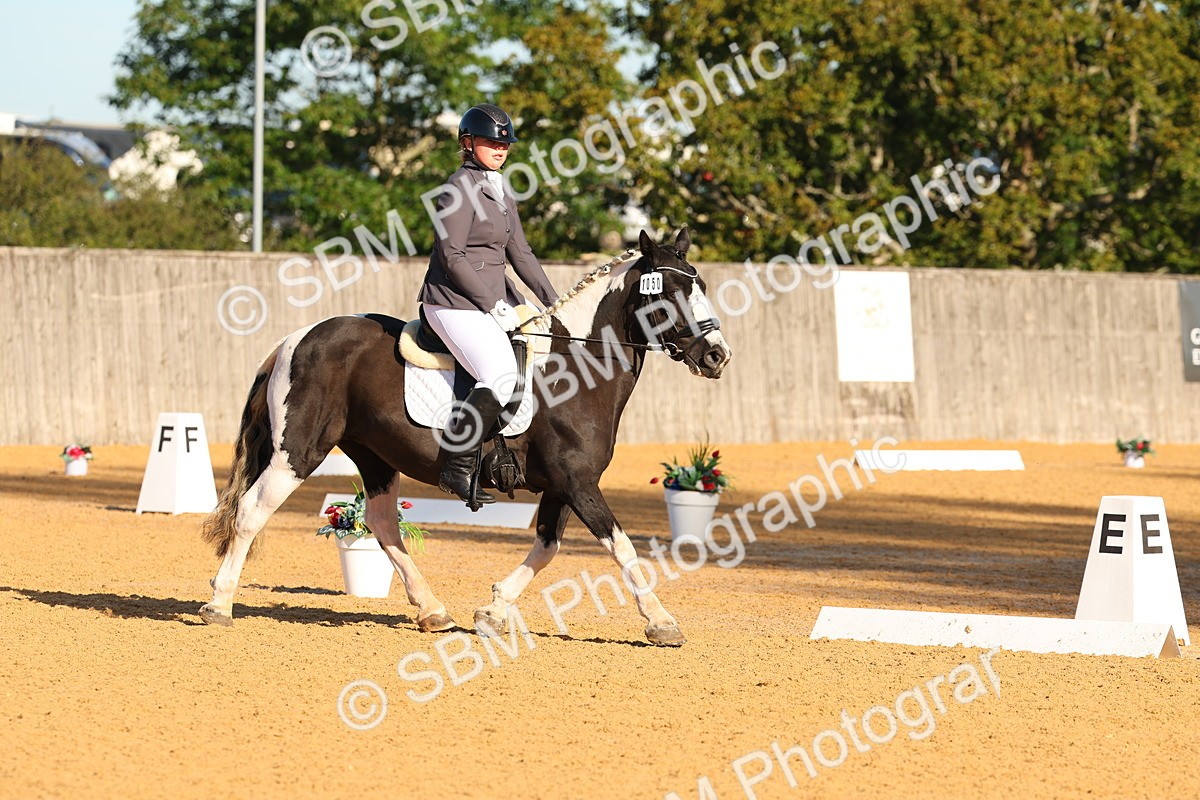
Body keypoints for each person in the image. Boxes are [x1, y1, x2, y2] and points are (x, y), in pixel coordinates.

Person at [419, 103, 559, 505]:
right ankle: (457, 467)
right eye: (491, 142)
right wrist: (490, 302)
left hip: (490, 300)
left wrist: (555, 300)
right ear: (468, 143)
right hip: (452, 302)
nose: (500, 148)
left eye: (505, 143)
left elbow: (521, 252)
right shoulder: (457, 189)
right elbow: (452, 255)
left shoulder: (500, 188)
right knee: (499, 373)